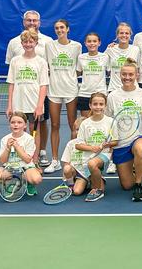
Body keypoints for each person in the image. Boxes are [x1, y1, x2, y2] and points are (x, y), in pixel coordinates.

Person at [5, 10, 53, 167]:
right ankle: (20, 159)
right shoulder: (15, 61)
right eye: (25, 42)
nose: (28, 44)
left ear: (36, 43)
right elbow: (11, 83)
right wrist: (10, 105)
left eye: (31, 42)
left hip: (35, 104)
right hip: (18, 104)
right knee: (18, 131)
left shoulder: (41, 62)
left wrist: (40, 105)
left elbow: (43, 85)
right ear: (21, 43)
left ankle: (35, 159)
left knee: (35, 132)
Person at [106, 59, 142, 202]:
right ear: (120, 75)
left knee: (141, 149)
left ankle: (139, 185)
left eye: (131, 74)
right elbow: (107, 120)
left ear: (137, 75)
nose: (127, 77)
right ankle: (137, 169)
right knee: (126, 185)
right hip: (121, 142)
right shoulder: (112, 96)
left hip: (140, 137)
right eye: (124, 74)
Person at [44, 19, 82, 174]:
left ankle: (73, 159)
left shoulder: (77, 46)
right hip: (54, 91)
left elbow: (79, 69)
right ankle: (55, 160)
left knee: (73, 125)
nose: (59, 30)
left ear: (68, 29)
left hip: (71, 90)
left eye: (62, 28)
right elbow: (47, 66)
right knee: (54, 125)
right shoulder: (49, 46)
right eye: (57, 28)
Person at [0, 112, 43, 196]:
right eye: (13, 122)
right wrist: (7, 148)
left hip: (25, 168)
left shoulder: (29, 139)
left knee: (36, 179)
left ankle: (28, 183)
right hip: (9, 168)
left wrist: (17, 147)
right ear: (9, 125)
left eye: (19, 122)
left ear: (25, 125)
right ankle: (12, 180)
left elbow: (27, 160)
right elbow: (2, 161)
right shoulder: (4, 139)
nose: (16, 125)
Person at [76, 93, 117, 202]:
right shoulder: (85, 123)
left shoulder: (111, 122)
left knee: (92, 164)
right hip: (88, 156)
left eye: (101, 104)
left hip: (105, 155)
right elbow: (78, 145)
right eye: (95, 104)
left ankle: (96, 189)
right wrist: (92, 148)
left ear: (105, 106)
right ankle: (97, 181)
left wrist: (108, 144)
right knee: (77, 191)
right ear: (90, 105)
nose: (98, 107)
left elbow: (115, 141)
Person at [77, 32, 109, 116]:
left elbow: (110, 73)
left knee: (100, 123)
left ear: (99, 43)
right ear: (85, 43)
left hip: (101, 94)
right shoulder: (81, 57)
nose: (92, 43)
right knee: (86, 123)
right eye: (89, 41)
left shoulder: (105, 57)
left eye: (94, 41)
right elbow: (78, 72)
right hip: (84, 94)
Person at [106, 22, 141, 93]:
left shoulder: (136, 49)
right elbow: (103, 66)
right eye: (121, 33)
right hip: (114, 89)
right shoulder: (110, 49)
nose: (124, 35)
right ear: (117, 35)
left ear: (130, 35)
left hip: (132, 90)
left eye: (127, 33)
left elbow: (138, 70)